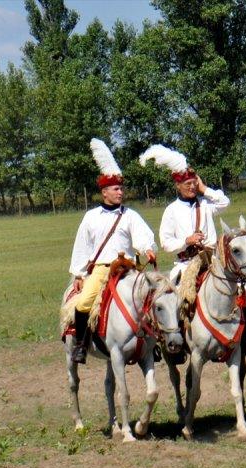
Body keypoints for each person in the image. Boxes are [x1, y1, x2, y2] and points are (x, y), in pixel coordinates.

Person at [69, 138, 157, 364]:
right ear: (104, 192)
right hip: (101, 269)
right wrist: (78, 274)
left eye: (121, 188)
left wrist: (148, 249)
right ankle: (80, 344)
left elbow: (143, 236)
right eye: (116, 189)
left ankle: (153, 343)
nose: (121, 192)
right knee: (83, 303)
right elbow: (82, 246)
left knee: (153, 297)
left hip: (127, 269)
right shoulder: (90, 217)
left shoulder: (130, 215)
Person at [141, 145, 230, 284]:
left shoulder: (205, 204)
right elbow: (166, 243)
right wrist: (186, 241)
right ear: (178, 185)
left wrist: (204, 189)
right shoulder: (171, 210)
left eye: (194, 183)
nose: (192, 187)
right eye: (188, 184)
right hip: (186, 265)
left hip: (212, 263)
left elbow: (224, 203)